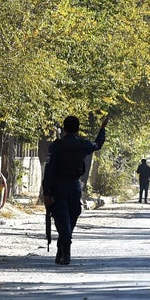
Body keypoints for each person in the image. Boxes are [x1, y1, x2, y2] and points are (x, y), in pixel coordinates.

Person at [42, 114, 108, 265]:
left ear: (64, 128)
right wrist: (102, 128)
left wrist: (46, 192)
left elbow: (50, 169)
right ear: (78, 129)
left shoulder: (56, 146)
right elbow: (98, 144)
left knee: (61, 217)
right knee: (72, 215)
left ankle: (64, 247)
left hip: (58, 186)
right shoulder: (82, 144)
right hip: (74, 186)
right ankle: (65, 248)